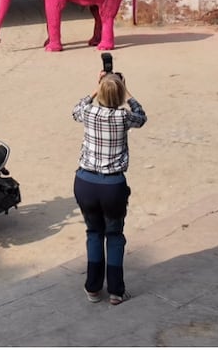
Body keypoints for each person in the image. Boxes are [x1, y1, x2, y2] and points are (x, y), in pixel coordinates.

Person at [71, 69, 147, 305]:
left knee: (94, 233)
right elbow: (141, 116)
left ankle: (93, 288)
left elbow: (76, 108)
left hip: (85, 182)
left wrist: (98, 86)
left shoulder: (89, 112)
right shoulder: (124, 117)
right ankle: (116, 290)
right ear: (121, 95)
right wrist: (127, 91)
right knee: (114, 236)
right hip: (112, 184)